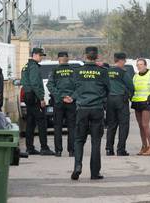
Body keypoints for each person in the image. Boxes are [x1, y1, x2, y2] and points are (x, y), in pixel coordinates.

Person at [70, 46, 110, 181]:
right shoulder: (103, 71)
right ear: (97, 56)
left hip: (82, 109)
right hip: (97, 108)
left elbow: (74, 89)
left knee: (79, 140)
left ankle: (77, 166)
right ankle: (94, 172)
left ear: (85, 55)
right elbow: (108, 89)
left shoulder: (77, 71)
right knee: (96, 141)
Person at [21, 48, 55, 156]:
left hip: (28, 95)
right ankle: (44, 147)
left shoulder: (26, 66)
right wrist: (41, 98)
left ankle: (29, 147)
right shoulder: (34, 67)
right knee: (42, 121)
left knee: (30, 123)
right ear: (34, 55)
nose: (41, 58)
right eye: (40, 55)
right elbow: (35, 84)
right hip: (34, 96)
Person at [46, 51, 76, 157]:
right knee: (72, 127)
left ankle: (58, 151)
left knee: (58, 126)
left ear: (58, 59)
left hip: (58, 102)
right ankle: (72, 151)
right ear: (68, 58)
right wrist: (71, 97)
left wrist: (60, 97)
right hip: (71, 102)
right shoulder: (74, 71)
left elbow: (50, 85)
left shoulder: (54, 71)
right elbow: (79, 86)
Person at [105, 52, 134, 156]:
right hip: (121, 100)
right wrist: (130, 95)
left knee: (111, 125)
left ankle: (109, 149)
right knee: (123, 125)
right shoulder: (123, 72)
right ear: (121, 60)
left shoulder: (107, 71)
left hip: (109, 100)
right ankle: (120, 150)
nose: (125, 62)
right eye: (124, 61)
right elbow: (131, 86)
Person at [131, 58, 150, 156]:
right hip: (137, 102)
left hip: (146, 103)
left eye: (141, 64)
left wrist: (149, 99)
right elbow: (132, 89)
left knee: (145, 125)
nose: (139, 66)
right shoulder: (135, 76)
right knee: (140, 126)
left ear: (145, 65)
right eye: (137, 64)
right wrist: (131, 98)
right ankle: (144, 146)